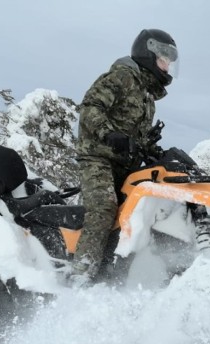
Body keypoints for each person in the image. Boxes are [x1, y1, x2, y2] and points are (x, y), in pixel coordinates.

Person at [73, 28, 179, 278]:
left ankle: (116, 272)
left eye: (169, 62)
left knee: (138, 210)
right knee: (104, 208)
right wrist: (109, 133)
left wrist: (160, 154)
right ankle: (81, 274)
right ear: (149, 54)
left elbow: (138, 139)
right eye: (164, 60)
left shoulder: (147, 96)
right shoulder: (122, 77)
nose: (167, 67)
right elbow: (90, 107)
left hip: (124, 164)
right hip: (98, 156)